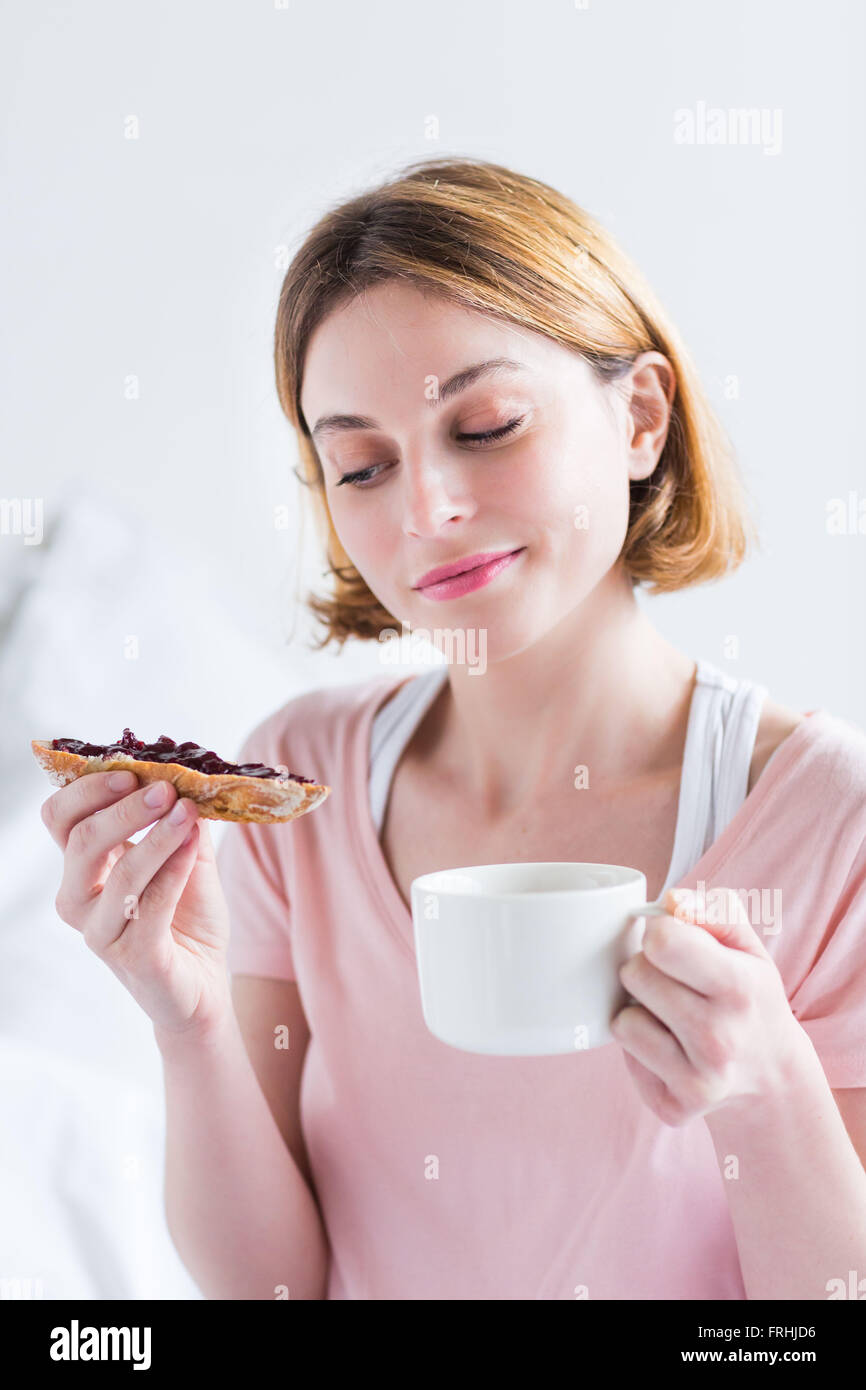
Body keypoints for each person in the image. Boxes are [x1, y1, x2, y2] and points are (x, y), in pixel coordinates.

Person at [42, 157, 866, 1301]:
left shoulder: (825, 820)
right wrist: (188, 1026)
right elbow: (268, 1288)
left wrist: (765, 1086)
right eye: (361, 465)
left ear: (638, 417)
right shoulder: (307, 781)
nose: (425, 509)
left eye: (482, 426)